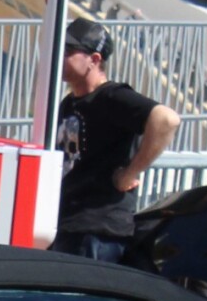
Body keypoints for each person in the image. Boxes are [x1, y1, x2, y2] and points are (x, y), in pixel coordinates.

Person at [50, 20, 178, 264]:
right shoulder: (68, 104)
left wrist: (131, 172)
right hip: (68, 224)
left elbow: (166, 120)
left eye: (68, 52)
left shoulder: (111, 96)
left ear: (94, 59)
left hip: (98, 230)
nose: (60, 57)